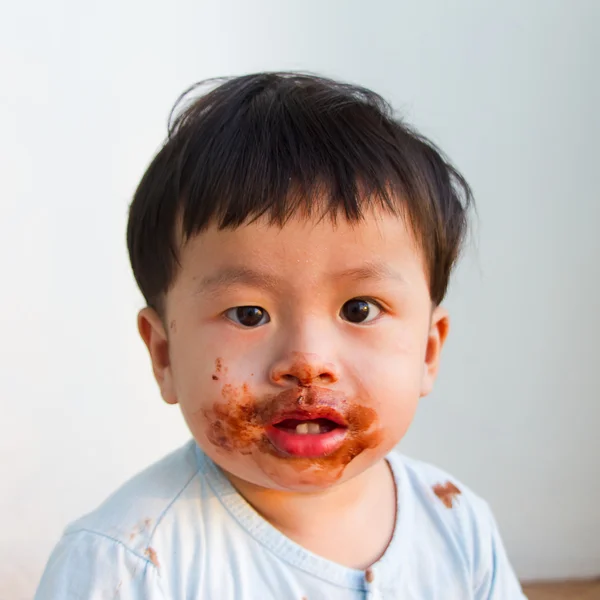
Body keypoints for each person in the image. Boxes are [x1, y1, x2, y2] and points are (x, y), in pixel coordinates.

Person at [35, 72, 526, 599]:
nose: (307, 361)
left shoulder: (458, 527)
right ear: (164, 354)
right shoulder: (124, 564)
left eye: (359, 309)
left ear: (428, 350)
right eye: (248, 314)